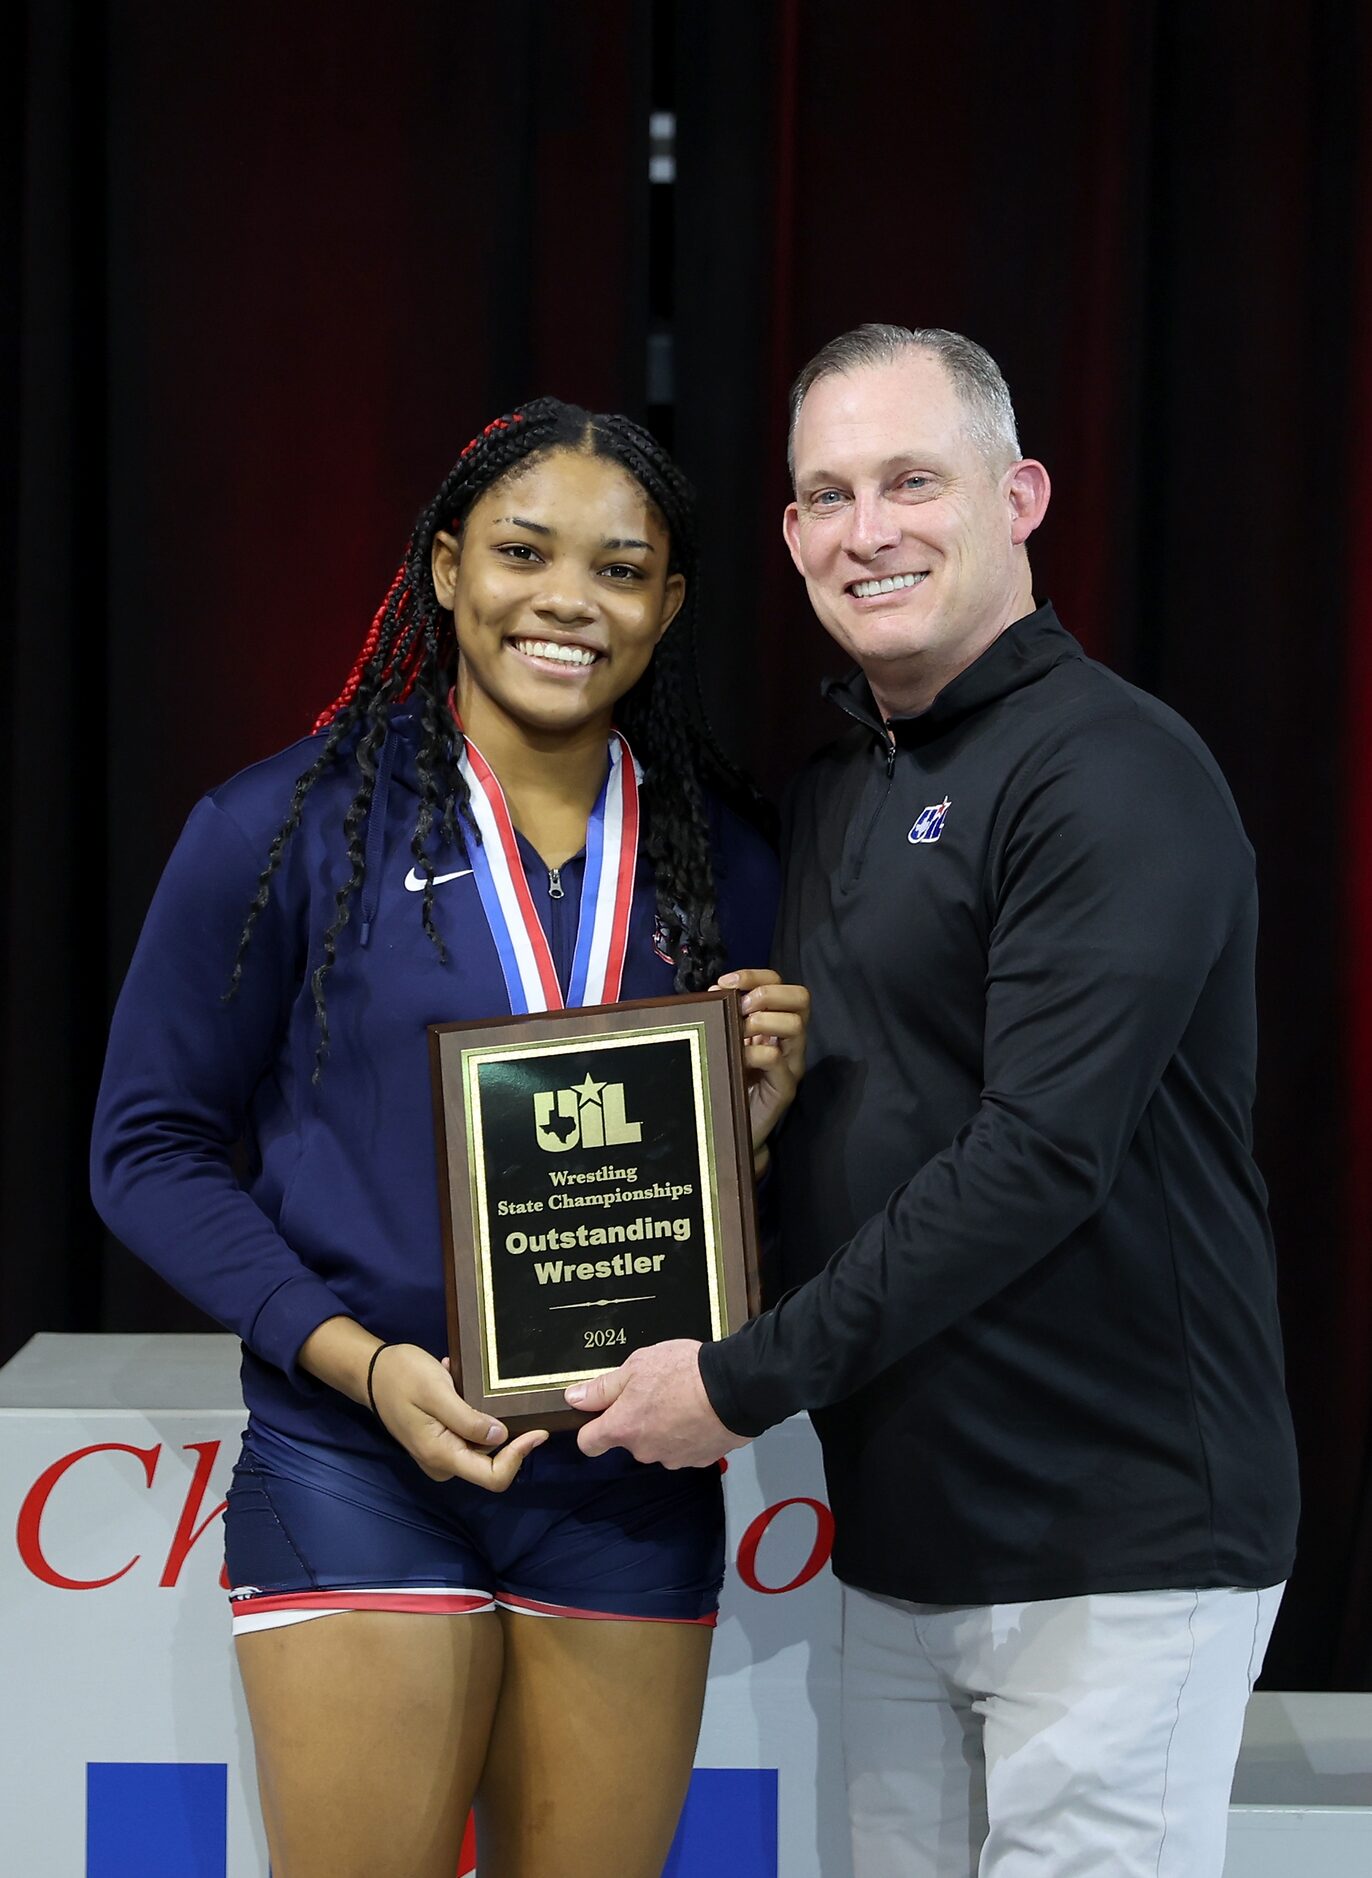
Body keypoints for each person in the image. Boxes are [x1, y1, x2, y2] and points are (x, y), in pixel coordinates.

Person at [568, 326, 1301, 1877]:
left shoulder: (1111, 771)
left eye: (913, 480)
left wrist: (741, 1379)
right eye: (827, 494)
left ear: (1019, 494)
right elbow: (870, 1130)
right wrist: (731, 1120)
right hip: (906, 1551)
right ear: (786, 535)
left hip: (1119, 1549)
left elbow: (1036, 1156)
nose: (868, 529)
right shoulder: (846, 788)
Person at [90, 396, 809, 1878]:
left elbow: (696, 1210)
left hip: (625, 1475)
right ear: (442, 568)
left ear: (668, 605)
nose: (567, 600)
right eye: (522, 552)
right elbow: (146, 1145)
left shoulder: (728, 861)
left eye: (620, 568)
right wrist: (358, 1358)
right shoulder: (281, 826)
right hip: (358, 1449)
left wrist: (752, 1130)